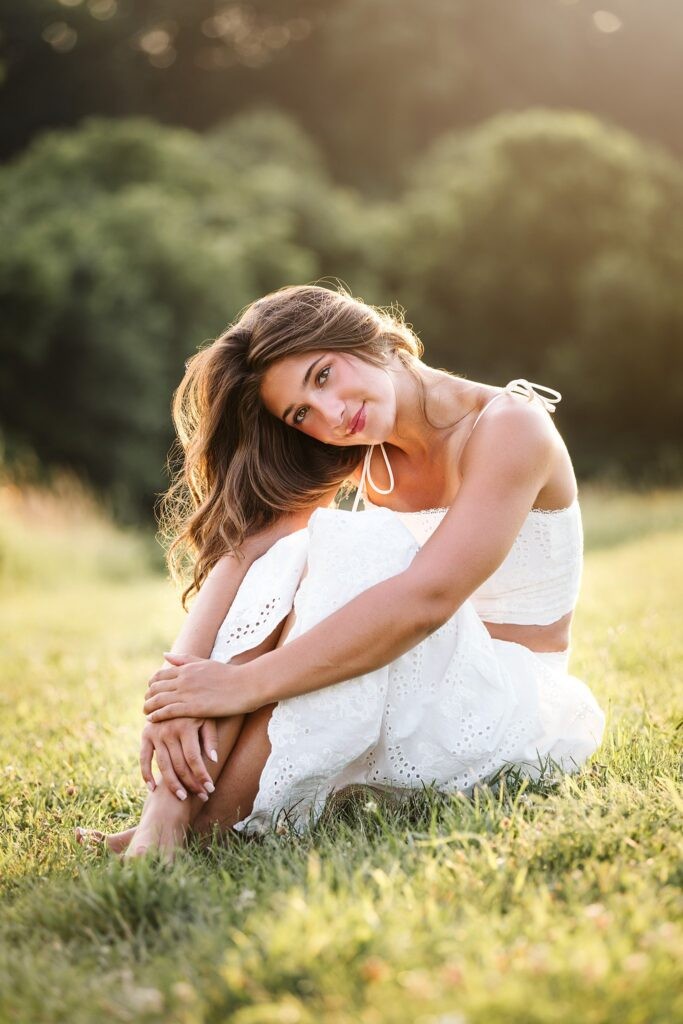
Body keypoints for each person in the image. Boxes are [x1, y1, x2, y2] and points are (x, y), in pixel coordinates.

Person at [76, 284, 604, 859]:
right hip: (415, 689)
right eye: (301, 413)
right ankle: (165, 820)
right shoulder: (365, 448)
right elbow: (251, 549)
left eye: (322, 375)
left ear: (362, 333)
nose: (329, 415)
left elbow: (425, 600)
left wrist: (240, 685)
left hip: (506, 705)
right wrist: (176, 690)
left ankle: (192, 832)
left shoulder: (510, 427)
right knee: (294, 549)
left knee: (357, 547)